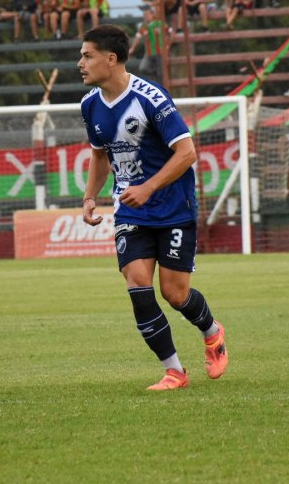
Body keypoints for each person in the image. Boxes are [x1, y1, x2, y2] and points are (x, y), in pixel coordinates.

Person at [78, 24, 228, 391]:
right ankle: (174, 371)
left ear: (110, 59)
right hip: (131, 209)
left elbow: (187, 152)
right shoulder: (90, 105)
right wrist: (89, 197)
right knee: (138, 284)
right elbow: (100, 155)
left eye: (87, 55)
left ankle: (212, 332)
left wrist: (148, 187)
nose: (80, 63)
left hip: (173, 205)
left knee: (175, 294)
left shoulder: (150, 98)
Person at [128, 4, 166, 82]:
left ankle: (160, 87)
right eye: (144, 15)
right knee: (143, 68)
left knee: (160, 74)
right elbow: (138, 36)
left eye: (147, 14)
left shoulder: (159, 23)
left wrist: (168, 44)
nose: (146, 16)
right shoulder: (144, 26)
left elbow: (169, 31)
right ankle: (153, 76)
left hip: (160, 51)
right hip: (149, 52)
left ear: (152, 14)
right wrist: (132, 48)